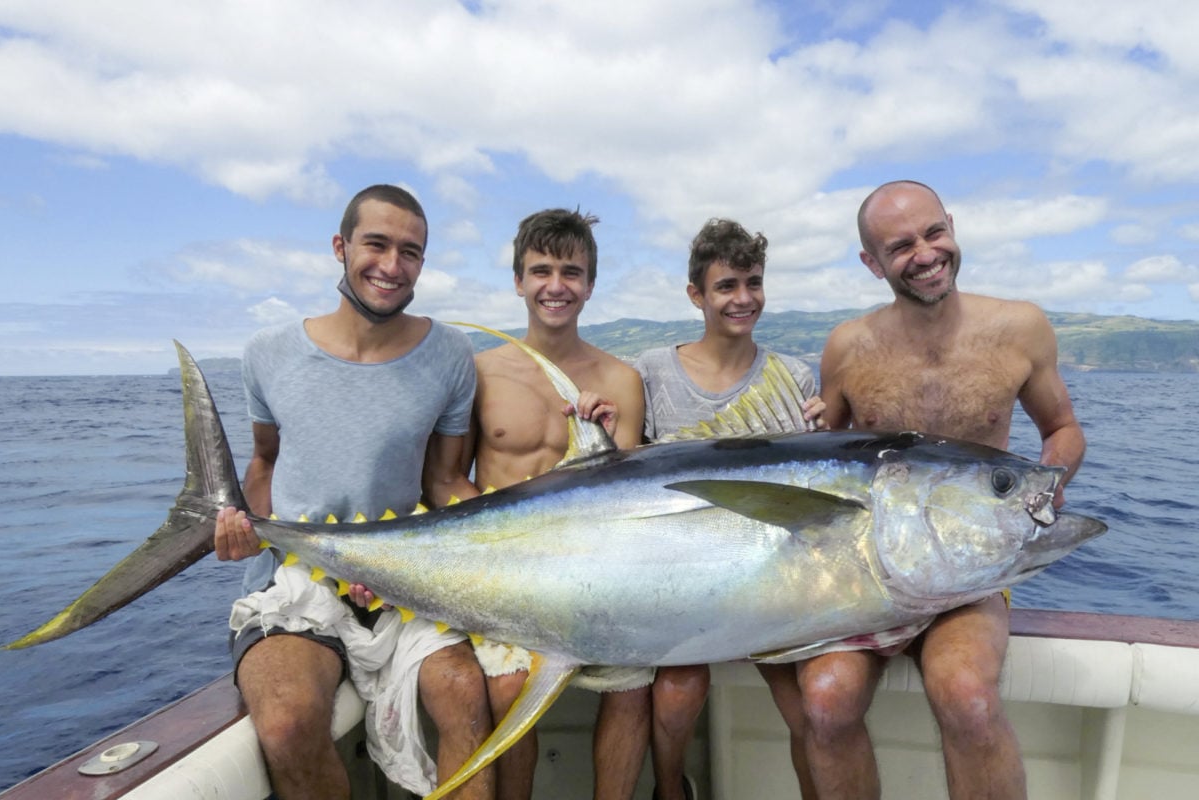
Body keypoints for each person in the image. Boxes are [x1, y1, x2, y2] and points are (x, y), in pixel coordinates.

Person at [806, 179, 1088, 799]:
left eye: (934, 233)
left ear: (952, 227)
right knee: (825, 703)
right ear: (871, 262)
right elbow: (822, 451)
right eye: (900, 245)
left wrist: (1051, 483)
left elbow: (1063, 430)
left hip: (971, 572)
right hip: (871, 574)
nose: (926, 254)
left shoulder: (1020, 327)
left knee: (967, 698)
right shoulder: (848, 346)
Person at [213, 184, 494, 800]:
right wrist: (241, 525)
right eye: (377, 244)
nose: (392, 266)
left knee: (467, 697)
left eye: (411, 252)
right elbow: (264, 461)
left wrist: (521, 530)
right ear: (340, 247)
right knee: (286, 721)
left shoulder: (450, 354)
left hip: (402, 578)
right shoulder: (267, 353)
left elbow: (444, 481)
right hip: (297, 580)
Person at [633, 218, 826, 800]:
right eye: (726, 286)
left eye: (753, 282)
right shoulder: (650, 370)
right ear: (697, 295)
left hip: (771, 579)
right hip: (682, 576)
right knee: (674, 697)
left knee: (808, 708)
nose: (743, 299)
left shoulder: (793, 377)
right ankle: (671, 789)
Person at [465, 208, 652, 800]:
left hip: (596, 572)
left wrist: (612, 432)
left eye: (571, 272)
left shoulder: (621, 379)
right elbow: (445, 480)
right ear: (518, 281)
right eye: (540, 270)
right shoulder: (479, 373)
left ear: (590, 285)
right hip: (504, 572)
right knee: (509, 685)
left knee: (633, 685)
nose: (555, 286)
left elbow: (627, 499)